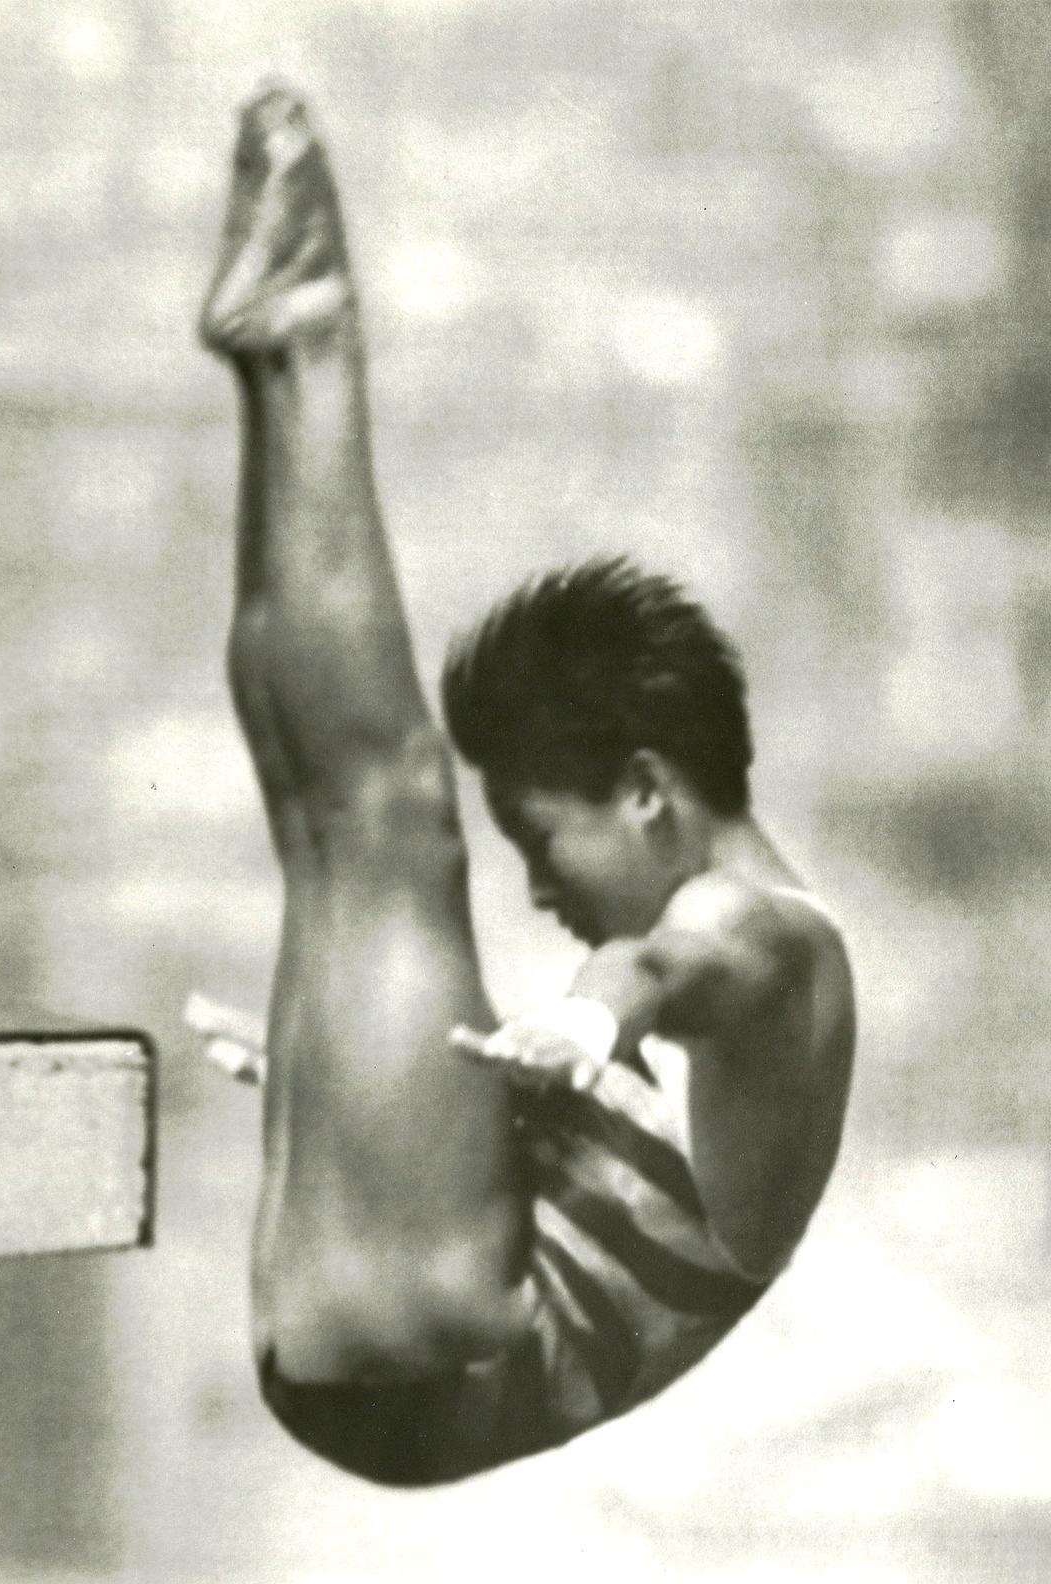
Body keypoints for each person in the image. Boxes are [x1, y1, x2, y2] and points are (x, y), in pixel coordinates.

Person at [197, 83, 855, 1486]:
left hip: (447, 1337)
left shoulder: (780, 946)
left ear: (645, 790)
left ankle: (307, 345)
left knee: (376, 819)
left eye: (544, 842)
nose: (540, 887)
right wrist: (325, 1076)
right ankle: (279, 354)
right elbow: (631, 1015)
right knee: (333, 825)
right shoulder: (738, 975)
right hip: (405, 1334)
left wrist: (591, 1013)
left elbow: (670, 962)